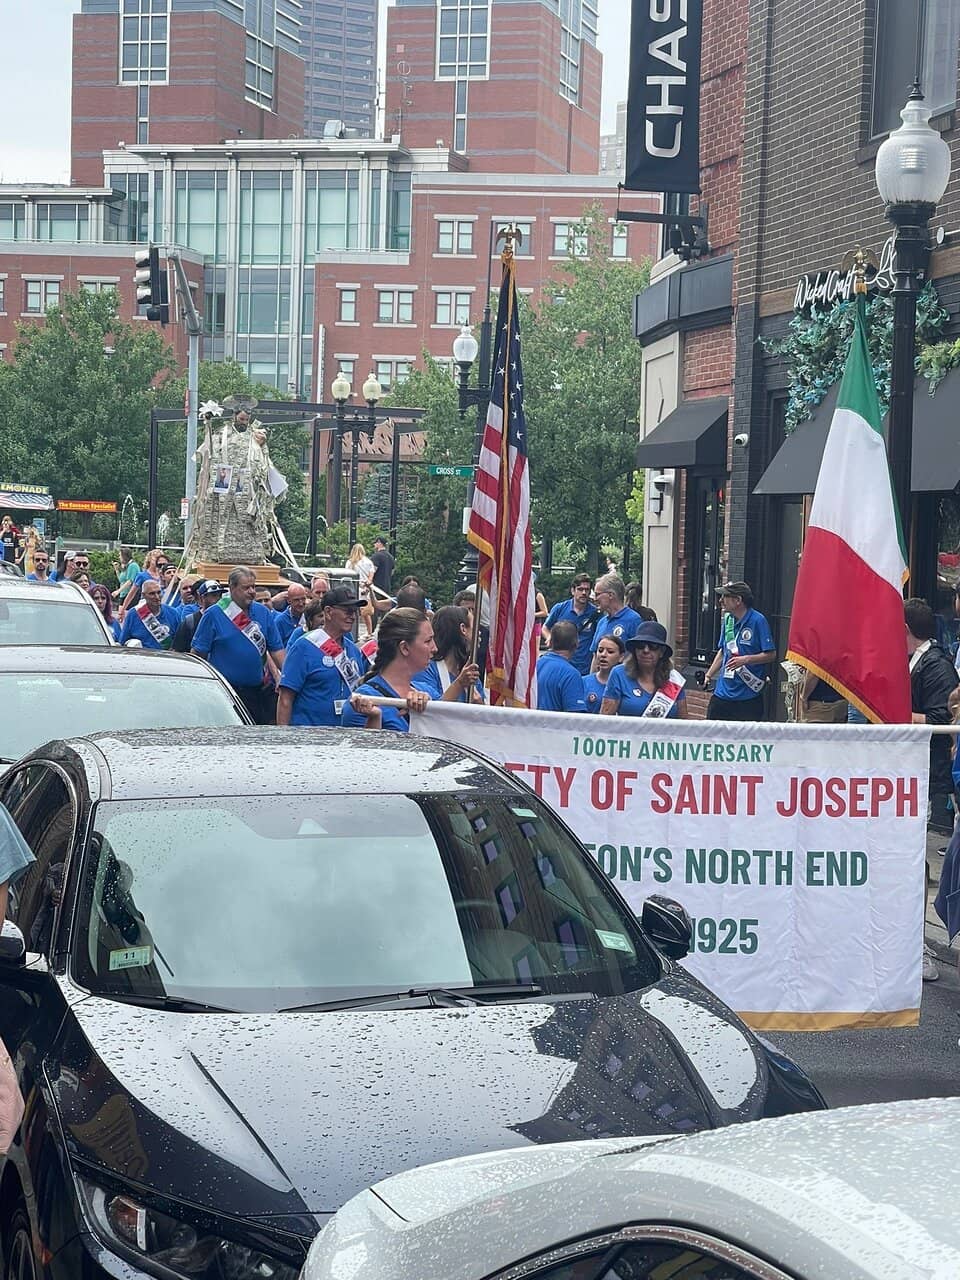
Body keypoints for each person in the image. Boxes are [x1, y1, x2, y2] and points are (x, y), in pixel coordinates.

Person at [191, 566, 285, 724]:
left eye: (253, 587)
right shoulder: (214, 614)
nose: (252, 591)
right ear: (232, 588)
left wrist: (288, 677)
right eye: (246, 588)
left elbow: (277, 650)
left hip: (257, 693)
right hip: (224, 694)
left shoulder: (263, 613)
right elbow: (197, 654)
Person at [277, 588, 368, 726]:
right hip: (309, 738)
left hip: (344, 737)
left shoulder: (353, 651)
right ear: (328, 612)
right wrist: (283, 739)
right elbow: (285, 698)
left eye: (354, 611)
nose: (353, 616)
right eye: (347, 611)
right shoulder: (303, 647)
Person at [343, 608, 432, 732]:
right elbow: (362, 750)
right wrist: (374, 718)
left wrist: (432, 708)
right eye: (428, 641)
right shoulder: (361, 702)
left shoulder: (427, 691)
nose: (435, 648)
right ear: (405, 648)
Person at [703, 581, 776, 721]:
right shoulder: (728, 620)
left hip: (747, 696)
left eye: (725, 596)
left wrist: (746, 659)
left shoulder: (758, 621)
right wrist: (709, 675)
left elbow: (771, 655)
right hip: (722, 694)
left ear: (738, 600)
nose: (720, 600)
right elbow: (723, 651)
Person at [601, 621, 688, 719]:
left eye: (653, 646)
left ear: (662, 652)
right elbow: (605, 721)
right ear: (635, 650)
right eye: (640, 645)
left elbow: (684, 725)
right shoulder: (619, 674)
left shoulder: (674, 680)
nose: (646, 650)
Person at [411, 605, 482, 703]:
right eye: (475, 627)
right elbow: (431, 712)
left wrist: (479, 703)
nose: (479, 632)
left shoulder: (469, 674)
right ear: (463, 629)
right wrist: (459, 683)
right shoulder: (426, 669)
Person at [543, 574, 599, 675]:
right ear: (573, 590)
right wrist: (550, 638)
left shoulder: (595, 613)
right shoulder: (560, 608)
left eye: (587, 590)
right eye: (580, 589)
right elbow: (545, 628)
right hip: (561, 664)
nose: (583, 593)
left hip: (584, 667)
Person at [590, 574, 643, 668]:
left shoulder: (634, 620)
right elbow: (595, 658)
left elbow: (638, 655)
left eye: (597, 594)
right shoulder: (602, 622)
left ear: (611, 595)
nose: (594, 599)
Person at [535, 621, 587, 712]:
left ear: (550, 642)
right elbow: (576, 718)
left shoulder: (533, 667)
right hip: (553, 726)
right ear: (576, 644)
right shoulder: (571, 675)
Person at [119, 579, 180, 650]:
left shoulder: (173, 613)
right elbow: (123, 643)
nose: (157, 597)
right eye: (152, 594)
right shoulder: (133, 614)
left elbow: (180, 642)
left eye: (159, 592)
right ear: (143, 595)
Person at [172, 578, 222, 652]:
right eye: (213, 595)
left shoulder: (226, 618)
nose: (218, 599)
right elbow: (178, 650)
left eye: (220, 595)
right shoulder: (190, 621)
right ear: (202, 597)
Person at [582, 633, 624, 712]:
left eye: (610, 652)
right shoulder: (583, 682)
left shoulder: (626, 685)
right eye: (600, 650)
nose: (603, 655)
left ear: (621, 657)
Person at [345, 542, 377, 634]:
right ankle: (369, 632)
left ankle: (353, 632)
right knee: (366, 613)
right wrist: (368, 584)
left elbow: (347, 575)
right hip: (365, 588)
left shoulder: (350, 562)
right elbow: (371, 576)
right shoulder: (368, 561)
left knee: (352, 610)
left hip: (353, 588)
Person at [370, 535, 395, 618]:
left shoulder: (376, 556)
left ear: (379, 543)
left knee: (375, 607)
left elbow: (373, 570)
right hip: (387, 586)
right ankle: (385, 625)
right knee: (385, 607)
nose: (374, 545)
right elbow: (392, 572)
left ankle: (372, 629)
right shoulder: (391, 557)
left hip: (376, 586)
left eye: (375, 543)